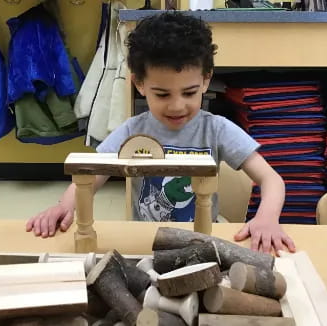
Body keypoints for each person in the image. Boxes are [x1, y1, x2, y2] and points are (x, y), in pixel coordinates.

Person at [26, 12, 296, 254]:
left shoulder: (216, 128)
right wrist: (64, 206)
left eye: (189, 92)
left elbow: (272, 180)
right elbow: (90, 176)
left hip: (200, 241)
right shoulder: (133, 130)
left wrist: (266, 218)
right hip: (148, 242)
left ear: (206, 79)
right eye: (162, 94)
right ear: (140, 84)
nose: (178, 105)